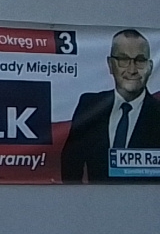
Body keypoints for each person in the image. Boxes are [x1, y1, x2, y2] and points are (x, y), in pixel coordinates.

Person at [61, 29, 160, 183]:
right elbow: (70, 164)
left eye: (140, 60)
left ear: (150, 66)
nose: (132, 70)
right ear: (110, 65)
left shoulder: (157, 113)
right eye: (123, 59)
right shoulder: (89, 106)